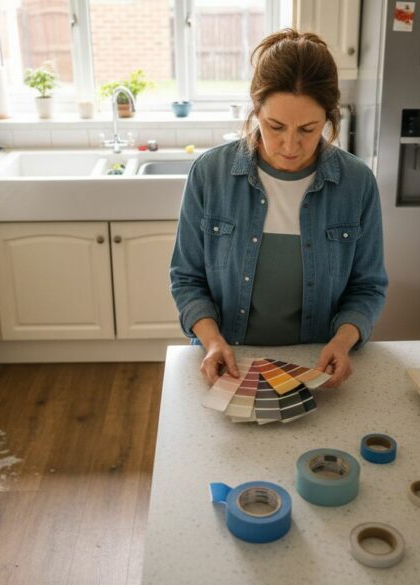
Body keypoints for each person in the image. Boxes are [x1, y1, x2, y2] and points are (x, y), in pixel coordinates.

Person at [169, 29, 388, 388]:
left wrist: (342, 342)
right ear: (256, 110)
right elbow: (187, 278)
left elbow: (368, 286)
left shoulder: (357, 183)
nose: (290, 145)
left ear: (330, 118)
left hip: (314, 367)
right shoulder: (210, 174)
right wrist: (211, 342)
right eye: (275, 126)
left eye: (308, 128)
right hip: (229, 362)